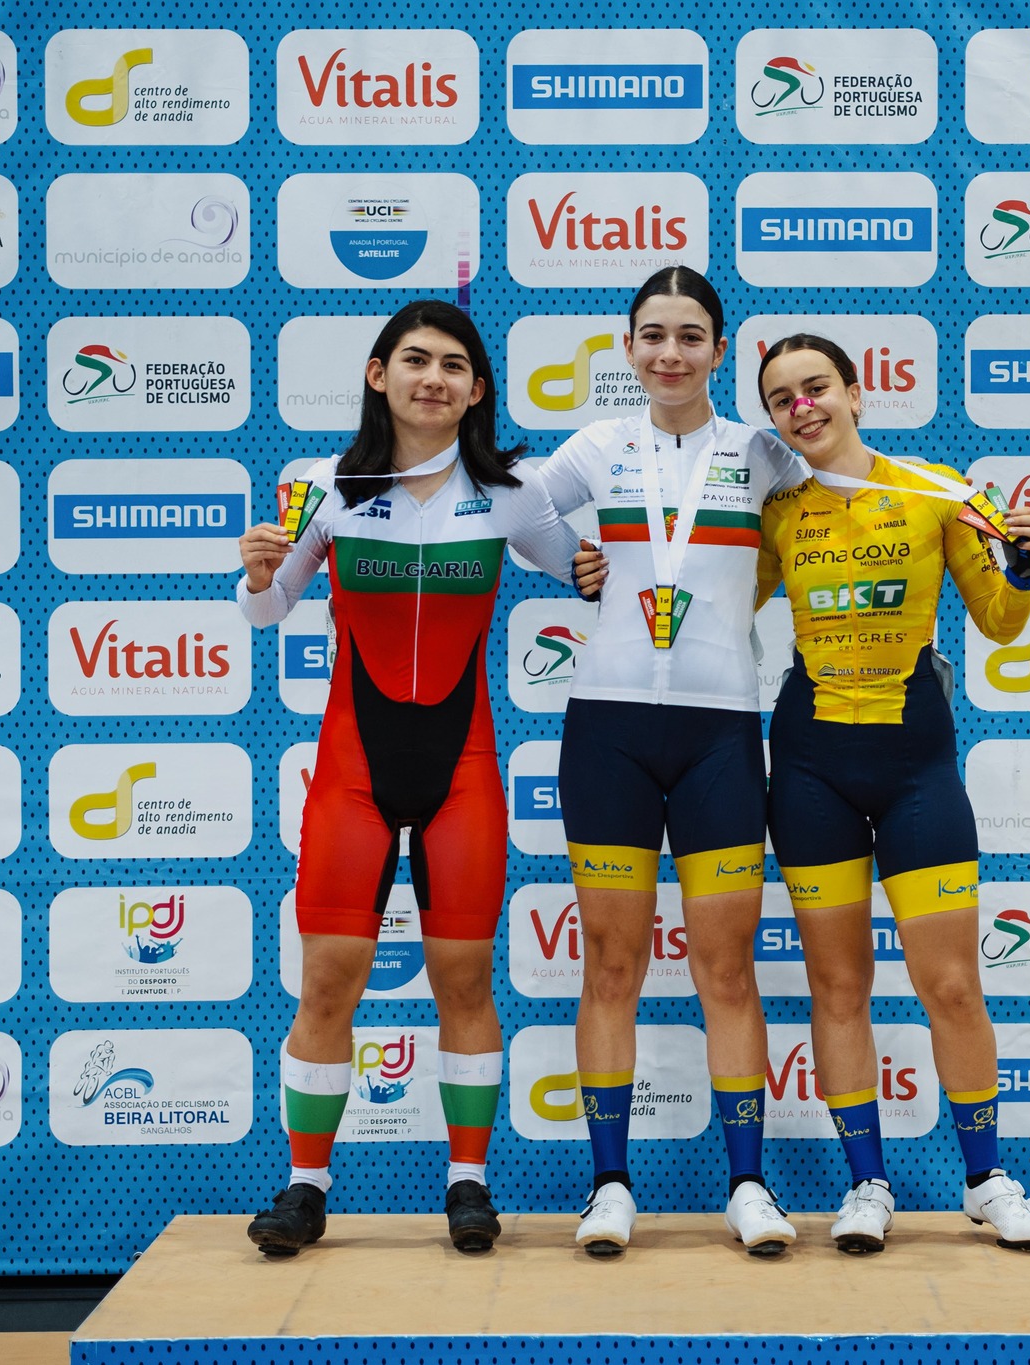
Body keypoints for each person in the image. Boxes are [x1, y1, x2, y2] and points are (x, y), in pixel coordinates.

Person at [234, 301, 586, 1257]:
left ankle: (467, 1182)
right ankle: (306, 1188)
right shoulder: (322, 487)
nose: (435, 378)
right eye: (416, 360)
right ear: (377, 372)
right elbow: (268, 610)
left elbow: (590, 573)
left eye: (455, 366)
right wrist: (255, 568)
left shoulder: (508, 493)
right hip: (353, 770)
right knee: (328, 983)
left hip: (462, 770)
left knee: (464, 979)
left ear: (476, 389)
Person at [752, 333, 1030, 1254]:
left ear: (856, 391)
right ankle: (866, 1186)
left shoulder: (938, 492)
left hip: (917, 768)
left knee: (953, 985)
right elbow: (717, 611)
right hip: (808, 767)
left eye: (816, 389)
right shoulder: (776, 511)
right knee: (838, 987)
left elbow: (1001, 623)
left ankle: (985, 1179)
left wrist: (1029, 565)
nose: (801, 408)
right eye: (780, 399)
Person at [542, 266, 802, 1256]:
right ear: (627, 346)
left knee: (725, 967)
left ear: (719, 350)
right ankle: (607, 1187)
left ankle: (748, 1186)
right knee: (610, 962)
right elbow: (503, 504)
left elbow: (860, 484)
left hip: (720, 734)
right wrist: (563, 560)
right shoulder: (598, 445)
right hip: (607, 730)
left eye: (689, 336)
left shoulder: (762, 450)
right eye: (651, 335)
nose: (668, 354)